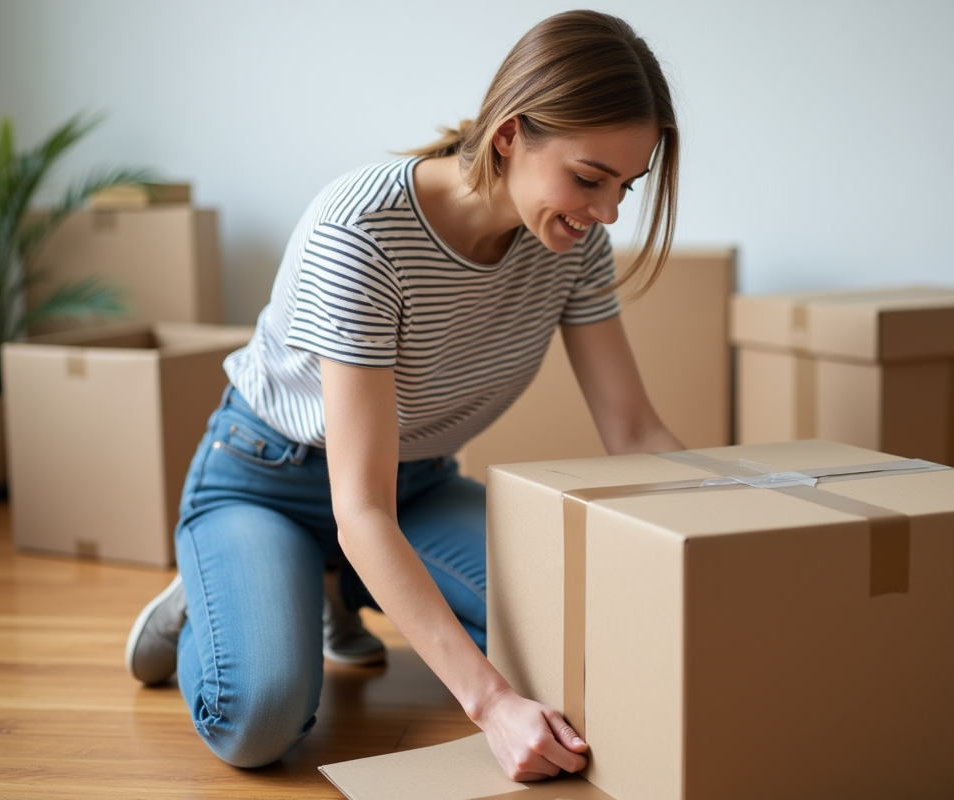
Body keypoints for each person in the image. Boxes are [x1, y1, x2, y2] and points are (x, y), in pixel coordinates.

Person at [124, 8, 683, 781]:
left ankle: (336, 582)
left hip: (413, 487)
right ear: (510, 134)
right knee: (259, 720)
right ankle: (214, 594)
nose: (608, 211)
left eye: (626, 184)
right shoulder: (362, 233)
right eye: (590, 178)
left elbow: (634, 430)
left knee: (576, 643)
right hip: (269, 482)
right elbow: (360, 510)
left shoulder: (571, 242)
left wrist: (726, 533)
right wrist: (491, 707)